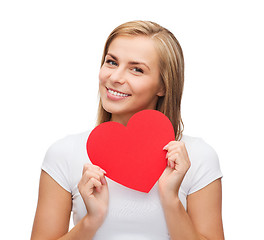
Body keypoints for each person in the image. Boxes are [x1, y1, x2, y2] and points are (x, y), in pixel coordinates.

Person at [31, 20, 224, 239]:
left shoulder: (196, 157)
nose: (114, 78)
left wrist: (170, 199)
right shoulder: (63, 153)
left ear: (163, 85)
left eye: (136, 69)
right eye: (112, 62)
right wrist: (92, 221)